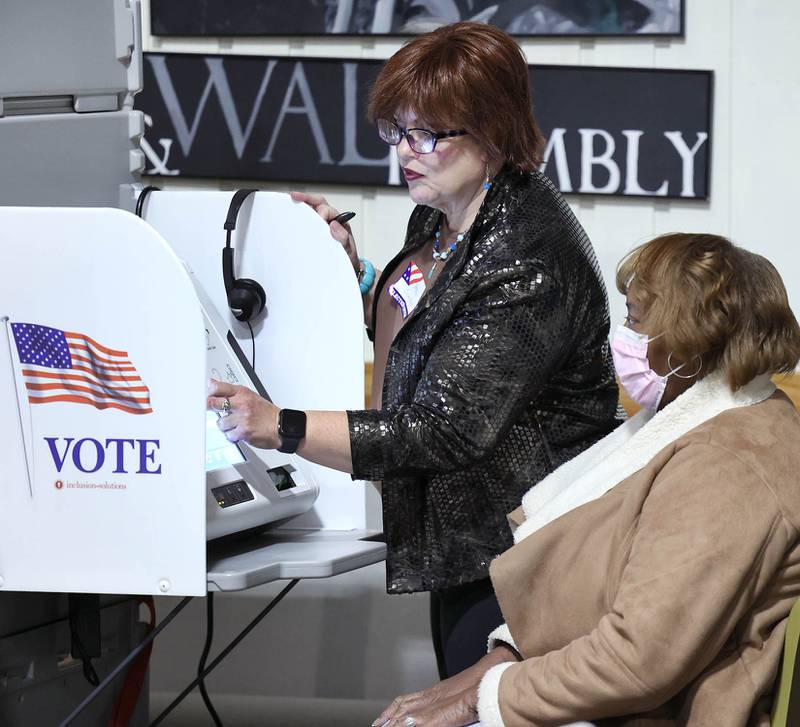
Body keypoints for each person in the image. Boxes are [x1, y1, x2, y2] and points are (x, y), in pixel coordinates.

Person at [207, 21, 619, 678]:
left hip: (532, 562)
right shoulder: (445, 211)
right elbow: (427, 332)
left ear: (492, 128)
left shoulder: (525, 261)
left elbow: (443, 430)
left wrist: (276, 424)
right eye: (396, 131)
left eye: (426, 133)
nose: (406, 151)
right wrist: (348, 271)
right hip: (474, 543)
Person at [374, 232, 800, 727]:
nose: (623, 337)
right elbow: (604, 588)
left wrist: (479, 700)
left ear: (690, 339)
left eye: (635, 320)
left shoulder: (725, 464)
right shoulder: (732, 420)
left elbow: (637, 659)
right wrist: (485, 671)